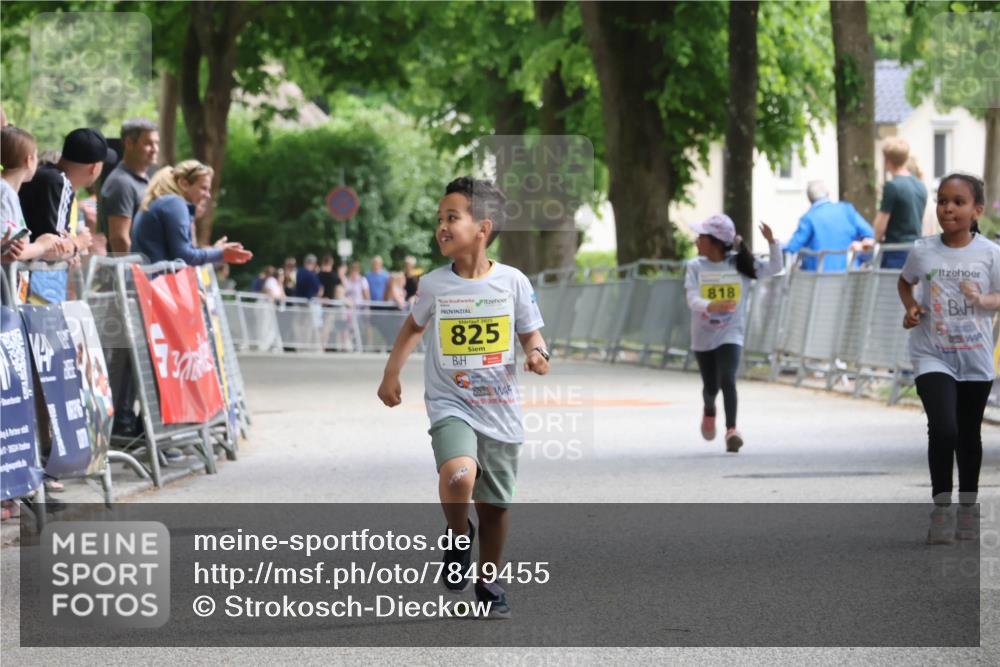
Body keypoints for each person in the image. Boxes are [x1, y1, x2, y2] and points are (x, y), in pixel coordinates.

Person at [377, 176, 549, 619]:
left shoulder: (512, 282)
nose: (442, 227)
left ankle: (489, 580)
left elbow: (530, 332)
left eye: (452, 217)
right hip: (450, 401)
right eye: (439, 220)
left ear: (483, 228)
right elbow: (413, 328)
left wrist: (537, 353)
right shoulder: (434, 285)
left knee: (495, 509)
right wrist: (391, 373)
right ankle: (457, 535)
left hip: (500, 410)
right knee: (458, 474)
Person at [898, 173, 1000, 544]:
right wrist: (911, 307)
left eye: (958, 202)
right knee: (944, 429)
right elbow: (905, 281)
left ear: (977, 210)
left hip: (974, 358)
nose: (948, 208)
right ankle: (941, 509)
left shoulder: (990, 253)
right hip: (932, 354)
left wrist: (983, 300)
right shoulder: (923, 250)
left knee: (969, 436)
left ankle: (968, 509)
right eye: (942, 200)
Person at [685, 214, 782, 453]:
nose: (697, 241)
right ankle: (709, 408)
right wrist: (709, 306)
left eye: (701, 237)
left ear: (716, 241)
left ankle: (732, 431)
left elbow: (775, 267)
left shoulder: (740, 264)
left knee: (727, 378)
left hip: (731, 333)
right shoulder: (695, 266)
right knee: (711, 387)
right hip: (703, 337)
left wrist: (772, 242)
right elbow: (692, 297)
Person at [18, 128, 111, 302]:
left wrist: (70, 246)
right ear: (94, 167)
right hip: (30, 289)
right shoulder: (59, 182)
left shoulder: (45, 175)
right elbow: (54, 248)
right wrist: (78, 243)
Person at [131, 160, 252, 266]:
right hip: (157, 285)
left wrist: (215, 251)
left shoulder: (162, 201)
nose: (207, 195)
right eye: (203, 188)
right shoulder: (174, 203)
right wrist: (220, 253)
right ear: (184, 184)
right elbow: (185, 257)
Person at [1, 126, 72, 263]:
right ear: (29, 160)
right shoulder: (4, 193)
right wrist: (42, 245)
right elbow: (11, 250)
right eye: (36, 156)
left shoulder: (10, 193)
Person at [98, 118, 159, 254]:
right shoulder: (121, 183)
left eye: (156, 143)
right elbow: (119, 238)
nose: (155, 149)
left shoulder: (143, 180)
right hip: (131, 271)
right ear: (129, 143)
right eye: (148, 143)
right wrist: (132, 271)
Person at [784, 180, 874, 272]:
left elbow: (791, 248)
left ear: (809, 198)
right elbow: (870, 234)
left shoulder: (808, 218)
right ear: (828, 193)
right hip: (850, 277)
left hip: (819, 279)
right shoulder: (847, 210)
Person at [874, 137, 928, 268]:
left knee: (890, 288)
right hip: (916, 250)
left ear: (887, 161)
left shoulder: (892, 186)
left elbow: (881, 224)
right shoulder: (921, 186)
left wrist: (874, 239)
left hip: (895, 252)